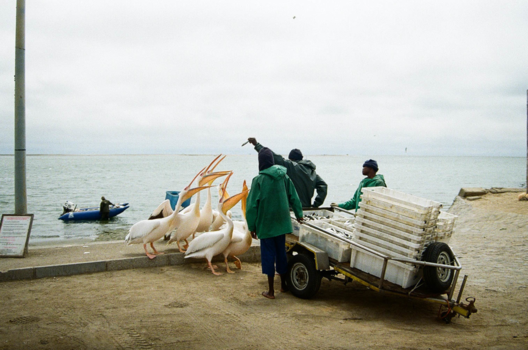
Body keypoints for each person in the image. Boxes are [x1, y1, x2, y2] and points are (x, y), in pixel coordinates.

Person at [246, 147, 304, 299]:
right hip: (282, 223)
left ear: (260, 162)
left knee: (268, 257)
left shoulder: (259, 180)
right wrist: (299, 215)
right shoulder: (284, 177)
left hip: (266, 225)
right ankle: (283, 286)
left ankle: (271, 291)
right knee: (281, 254)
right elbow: (294, 197)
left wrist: (251, 226)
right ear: (272, 161)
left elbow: (252, 206)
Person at [247, 137, 327, 208]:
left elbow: (274, 157)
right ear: (301, 158)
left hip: (291, 208)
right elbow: (323, 186)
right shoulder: (313, 173)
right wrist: (316, 204)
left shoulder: (291, 166)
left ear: (291, 159)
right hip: (307, 208)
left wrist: (256, 144)